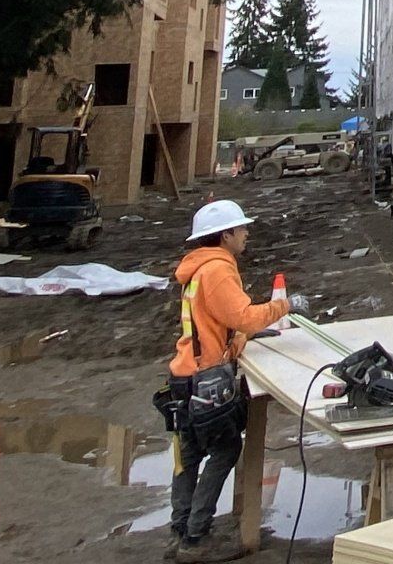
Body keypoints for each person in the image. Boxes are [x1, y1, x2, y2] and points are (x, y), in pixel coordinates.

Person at [158, 199, 290, 562]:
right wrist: (283, 307)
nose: (247, 234)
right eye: (241, 229)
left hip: (185, 375)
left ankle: (180, 529)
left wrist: (238, 339)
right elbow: (243, 316)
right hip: (206, 379)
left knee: (187, 457)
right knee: (226, 449)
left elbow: (216, 322)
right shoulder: (217, 270)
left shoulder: (196, 268)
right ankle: (196, 537)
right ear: (225, 234)